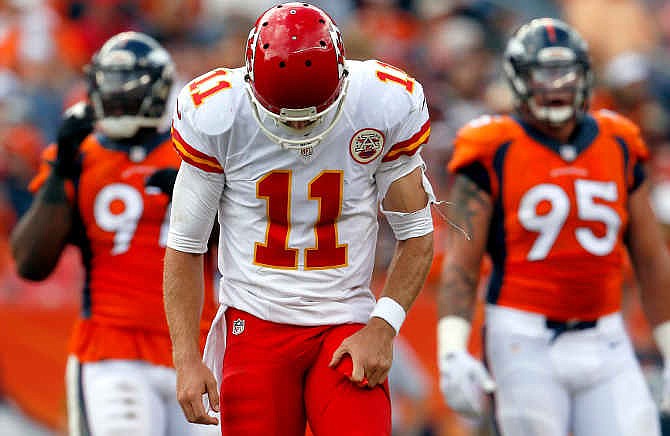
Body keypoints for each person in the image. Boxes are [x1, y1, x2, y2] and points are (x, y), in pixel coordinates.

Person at [163, 3, 435, 435]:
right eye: (286, 114)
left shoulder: (380, 104)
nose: (299, 126)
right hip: (255, 321)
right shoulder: (218, 114)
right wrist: (186, 359)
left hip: (345, 318)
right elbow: (185, 246)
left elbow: (417, 233)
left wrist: (383, 326)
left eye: (312, 111)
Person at [437, 18, 670, 436]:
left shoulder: (619, 141)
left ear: (585, 75)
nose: (556, 85)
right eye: (542, 74)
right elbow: (461, 262)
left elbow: (652, 259)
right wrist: (451, 348)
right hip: (522, 339)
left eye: (566, 73)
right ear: (518, 79)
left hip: (607, 335)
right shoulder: (493, 147)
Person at [10, 31, 218, 436]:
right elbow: (31, 263)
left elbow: (237, 243)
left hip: (197, 349)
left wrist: (202, 201)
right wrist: (61, 170)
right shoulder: (79, 156)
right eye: (113, 84)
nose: (120, 95)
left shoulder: (192, 152)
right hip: (112, 350)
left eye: (131, 86)